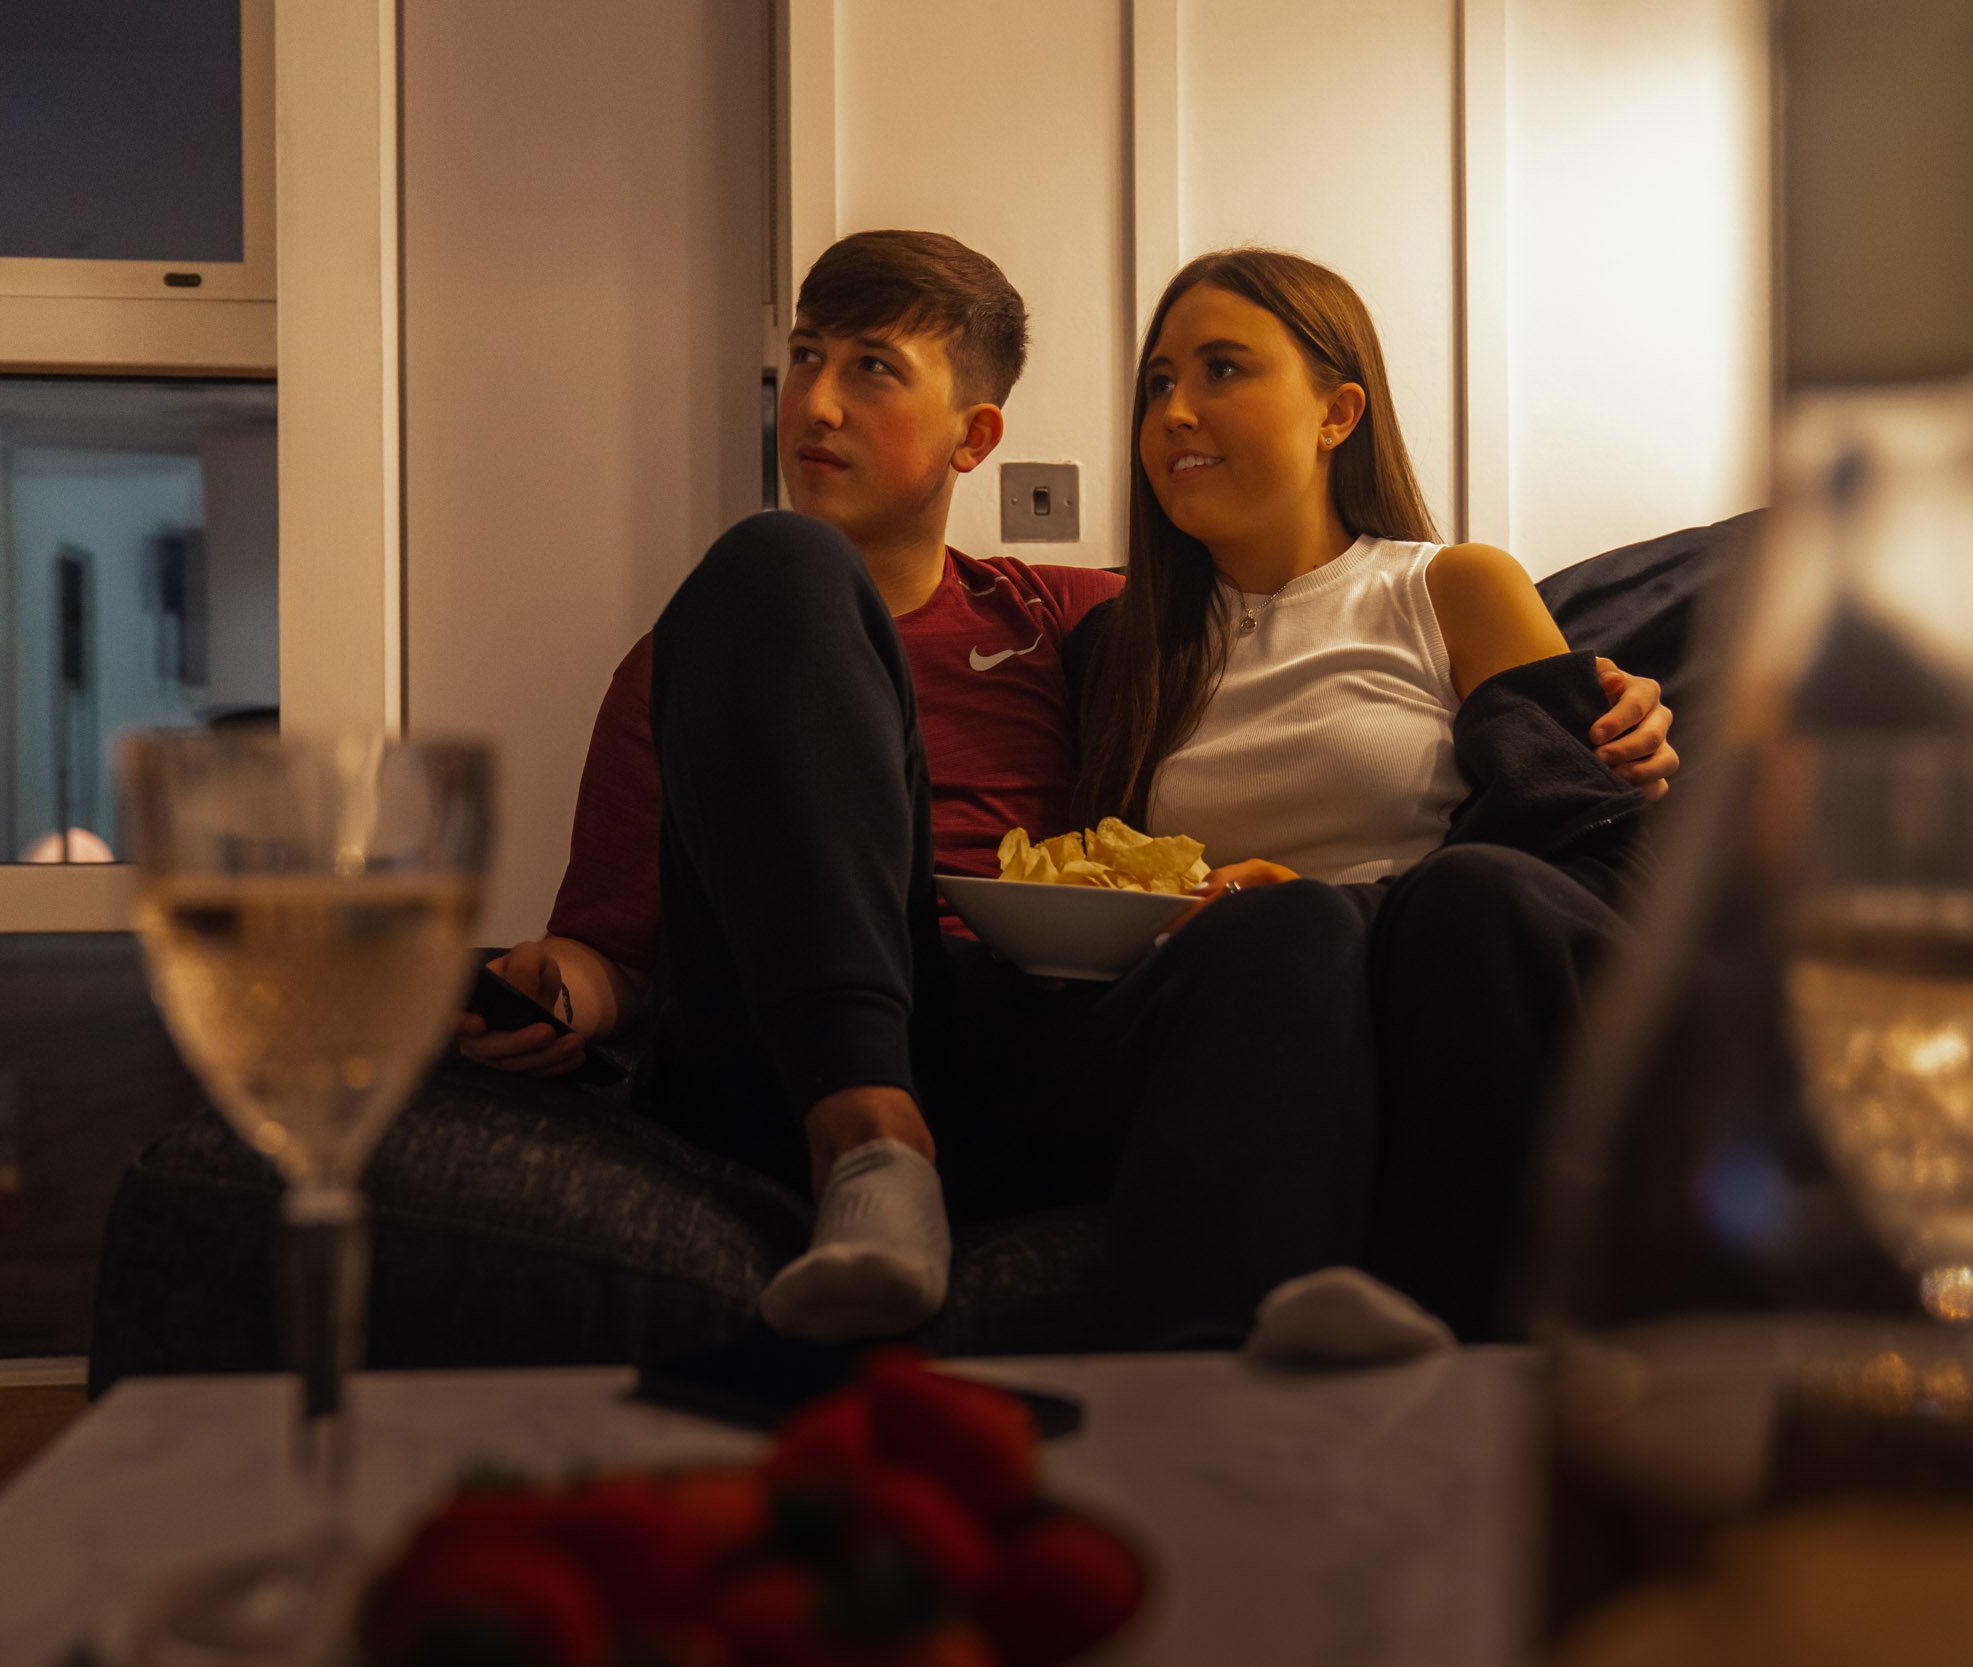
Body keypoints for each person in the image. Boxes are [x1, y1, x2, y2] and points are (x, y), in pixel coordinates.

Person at [464, 231, 1671, 1348]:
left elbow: (1549, 800)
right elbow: (611, 957)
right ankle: (868, 1146)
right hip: (787, 1037)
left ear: (973, 438)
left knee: (1284, 919)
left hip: (1023, 1037)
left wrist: (1606, 702)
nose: (815, 404)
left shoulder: (1080, 631)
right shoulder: (714, 644)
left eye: (873, 368)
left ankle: (1246, 1394)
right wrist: (544, 988)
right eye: (805, 361)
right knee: (778, 558)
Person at [1072, 247, 1675, 1337]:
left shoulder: (1447, 587)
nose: (1174, 411)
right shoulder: (1118, 644)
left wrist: (1338, 899)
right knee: (1281, 935)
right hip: (1231, 1028)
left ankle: (1488, 1366)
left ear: (1336, 412)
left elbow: (1590, 851)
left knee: (1469, 899)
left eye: (1220, 370)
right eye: (1158, 383)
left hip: (1444, 998)